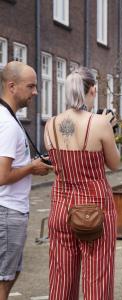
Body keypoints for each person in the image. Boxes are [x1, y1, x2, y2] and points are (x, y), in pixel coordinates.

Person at [44, 67, 120, 300]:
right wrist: (109, 126)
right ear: (93, 90)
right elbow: (115, 164)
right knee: (97, 279)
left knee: (60, 278)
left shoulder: (50, 124)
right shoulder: (99, 123)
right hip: (95, 210)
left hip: (60, 208)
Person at [0, 61, 51, 299]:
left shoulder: (7, 117)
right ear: (12, 86)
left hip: (9, 209)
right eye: (30, 86)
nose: (35, 92)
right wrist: (31, 167)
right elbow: (2, 176)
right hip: (8, 210)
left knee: (10, 273)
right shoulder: (9, 125)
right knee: (4, 277)